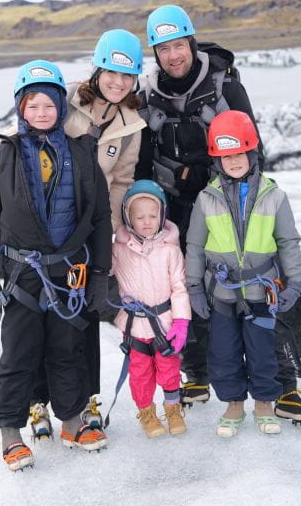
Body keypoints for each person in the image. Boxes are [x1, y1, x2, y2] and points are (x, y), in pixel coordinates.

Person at [0, 29, 146, 438]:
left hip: (82, 233)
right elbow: (9, 139)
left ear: (135, 79)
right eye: (111, 73)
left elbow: (121, 180)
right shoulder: (60, 97)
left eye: (127, 76)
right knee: (27, 336)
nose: (117, 83)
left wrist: (110, 234)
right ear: (97, 70)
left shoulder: (131, 123)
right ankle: (35, 406)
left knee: (73, 332)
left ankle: (77, 406)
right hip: (35, 227)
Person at [0, 60, 113, 471]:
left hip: (69, 272)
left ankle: (70, 421)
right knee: (17, 353)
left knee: (66, 350)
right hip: (21, 274)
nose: (40, 113)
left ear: (60, 106)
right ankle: (10, 432)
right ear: (20, 108)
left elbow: (101, 218)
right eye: (31, 105)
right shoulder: (2, 156)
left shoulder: (82, 153)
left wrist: (100, 275)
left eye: (48, 104)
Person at [134, 4, 260, 406]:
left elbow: (252, 151)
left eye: (178, 45)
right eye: (163, 48)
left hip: (220, 204)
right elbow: (136, 155)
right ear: (155, 53)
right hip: (170, 209)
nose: (173, 56)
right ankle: (197, 374)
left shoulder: (225, 87)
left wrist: (213, 181)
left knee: (232, 288)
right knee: (182, 291)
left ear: (190, 42)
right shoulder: (147, 94)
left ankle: (259, 373)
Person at [184, 110, 301, 437]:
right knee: (222, 352)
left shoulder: (274, 196)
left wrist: (294, 282)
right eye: (225, 156)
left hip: (260, 291)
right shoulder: (206, 198)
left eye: (239, 153)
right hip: (222, 293)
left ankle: (264, 403)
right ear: (216, 159)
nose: (233, 161)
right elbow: (194, 244)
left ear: (252, 153)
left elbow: (287, 241)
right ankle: (233, 404)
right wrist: (194, 286)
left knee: (262, 350)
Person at [110, 180, 190, 438]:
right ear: (128, 219)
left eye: (152, 216)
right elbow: (103, 269)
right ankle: (146, 413)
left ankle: (173, 409)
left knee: (169, 369)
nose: (146, 222)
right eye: (139, 217)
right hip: (134, 325)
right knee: (140, 374)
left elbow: (179, 287)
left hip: (165, 323)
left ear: (162, 216)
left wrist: (181, 321)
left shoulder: (171, 251)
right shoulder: (118, 250)